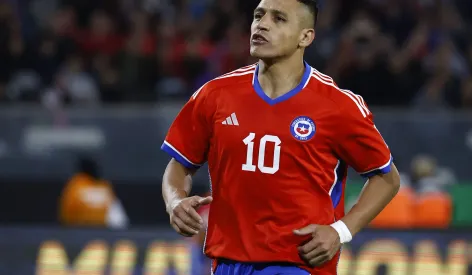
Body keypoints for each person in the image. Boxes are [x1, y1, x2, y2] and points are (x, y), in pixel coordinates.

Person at [161, 0, 401, 274]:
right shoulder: (215, 95)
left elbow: (387, 178)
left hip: (299, 264)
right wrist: (174, 201)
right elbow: (179, 166)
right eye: (258, 16)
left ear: (306, 37)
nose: (262, 25)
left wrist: (341, 230)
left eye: (279, 19)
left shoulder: (338, 106)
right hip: (228, 264)